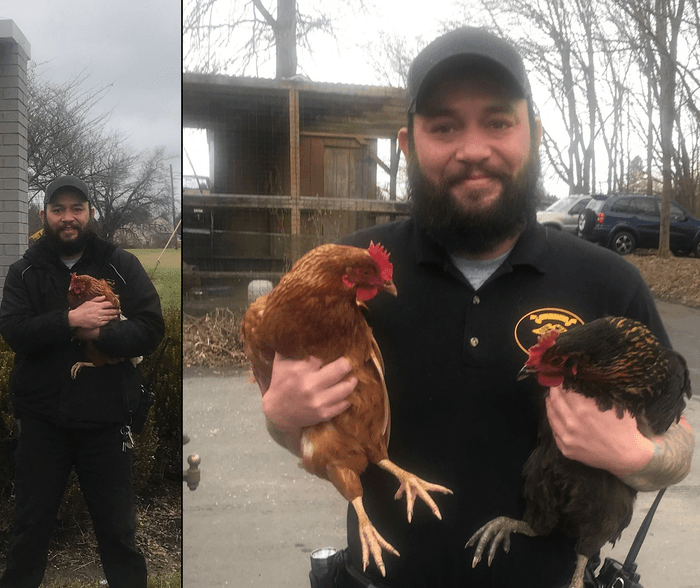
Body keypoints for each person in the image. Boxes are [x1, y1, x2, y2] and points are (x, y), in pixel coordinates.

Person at [260, 28, 694, 588]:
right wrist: (279, 418)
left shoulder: (609, 282)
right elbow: (300, 420)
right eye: (443, 126)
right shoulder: (355, 277)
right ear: (407, 144)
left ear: (532, 135)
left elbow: (679, 441)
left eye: (498, 121)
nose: (472, 149)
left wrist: (635, 454)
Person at [0, 175, 165, 588]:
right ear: (44, 216)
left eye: (76, 209)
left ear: (90, 213)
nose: (67, 218)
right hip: (42, 422)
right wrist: (70, 321)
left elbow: (151, 328)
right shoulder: (25, 272)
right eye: (58, 210)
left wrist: (103, 334)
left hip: (106, 422)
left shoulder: (121, 265)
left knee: (118, 533)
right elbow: (13, 330)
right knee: (30, 530)